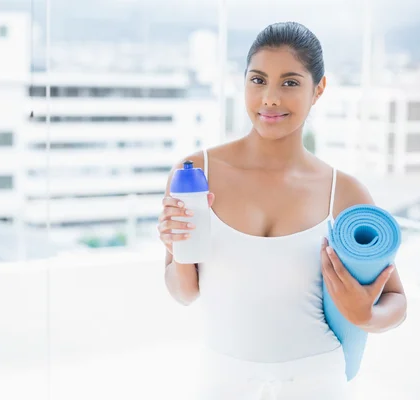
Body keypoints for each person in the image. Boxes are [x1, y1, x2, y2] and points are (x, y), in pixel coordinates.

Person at [157, 21, 407, 399]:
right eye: (258, 80)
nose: (270, 98)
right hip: (222, 379)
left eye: (289, 82)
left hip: (316, 380)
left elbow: (397, 300)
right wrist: (178, 249)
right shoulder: (196, 174)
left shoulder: (344, 191)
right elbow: (184, 293)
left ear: (318, 89)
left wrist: (367, 316)